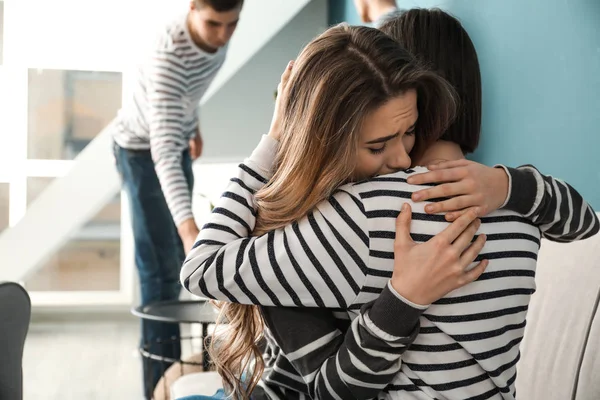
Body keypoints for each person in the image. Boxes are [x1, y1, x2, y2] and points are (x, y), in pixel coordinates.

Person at [181, 24, 598, 400]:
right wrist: (510, 184)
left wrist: (272, 139)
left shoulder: (360, 214)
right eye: (378, 145)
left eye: (408, 132)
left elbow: (200, 270)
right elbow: (585, 223)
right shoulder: (514, 204)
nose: (400, 160)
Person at [111, 0, 243, 397]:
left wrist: (193, 123)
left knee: (172, 268)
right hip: (140, 152)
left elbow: (191, 89)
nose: (222, 35)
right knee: (159, 275)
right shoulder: (168, 56)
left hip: (174, 140)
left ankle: (178, 381)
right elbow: (163, 153)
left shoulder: (216, 34)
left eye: (232, 24)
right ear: (192, 7)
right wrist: (190, 232)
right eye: (213, 24)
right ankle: (158, 390)